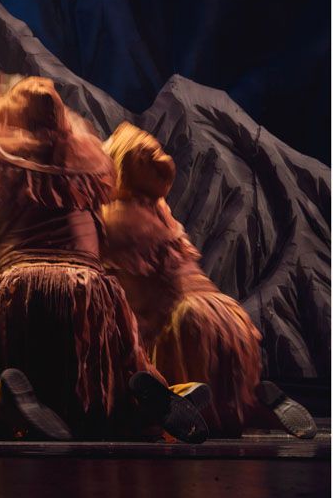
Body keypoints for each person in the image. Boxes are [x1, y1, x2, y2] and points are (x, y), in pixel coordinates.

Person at [0, 77, 208, 442]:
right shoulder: (88, 164)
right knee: (103, 392)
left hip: (21, 289)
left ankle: (2, 401)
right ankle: (142, 402)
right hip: (88, 292)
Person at [99, 123, 316, 439]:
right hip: (227, 317)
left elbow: (131, 299)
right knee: (227, 404)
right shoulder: (162, 212)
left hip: (186, 326)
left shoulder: (113, 217)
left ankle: (175, 398)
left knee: (141, 378)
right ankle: (255, 404)